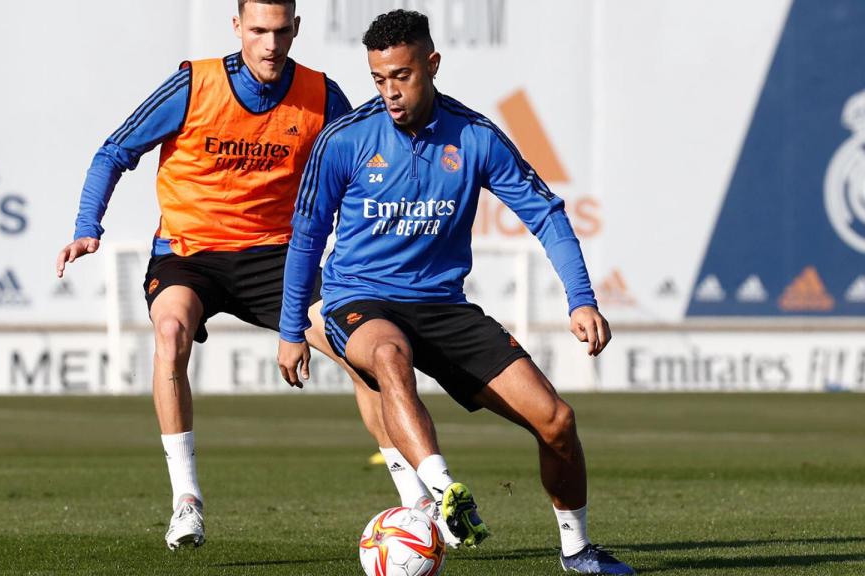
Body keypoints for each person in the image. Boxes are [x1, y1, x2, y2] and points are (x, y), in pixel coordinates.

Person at [55, 0, 437, 551]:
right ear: (237, 27)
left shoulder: (320, 95)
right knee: (170, 332)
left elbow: (368, 156)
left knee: (363, 350)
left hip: (275, 258)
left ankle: (416, 501)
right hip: (189, 253)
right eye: (258, 30)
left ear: (296, 29)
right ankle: (186, 499)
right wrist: (87, 226)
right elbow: (114, 151)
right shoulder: (194, 84)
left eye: (281, 31)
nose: (270, 44)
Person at [278, 9, 635, 574]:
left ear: (433, 64)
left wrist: (582, 299)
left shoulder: (474, 136)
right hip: (360, 299)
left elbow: (545, 214)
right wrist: (290, 329)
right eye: (379, 79)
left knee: (557, 421)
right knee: (389, 355)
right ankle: (443, 492)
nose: (390, 92)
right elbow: (306, 238)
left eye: (402, 76)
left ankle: (577, 550)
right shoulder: (344, 140)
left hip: (443, 307)